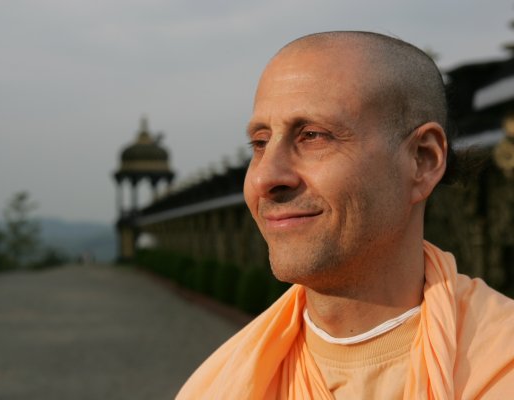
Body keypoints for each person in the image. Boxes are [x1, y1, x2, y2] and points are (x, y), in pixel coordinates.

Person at [177, 31, 514, 399]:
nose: (264, 177)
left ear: (422, 160)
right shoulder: (222, 384)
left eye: (313, 135)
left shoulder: (498, 365)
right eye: (259, 143)